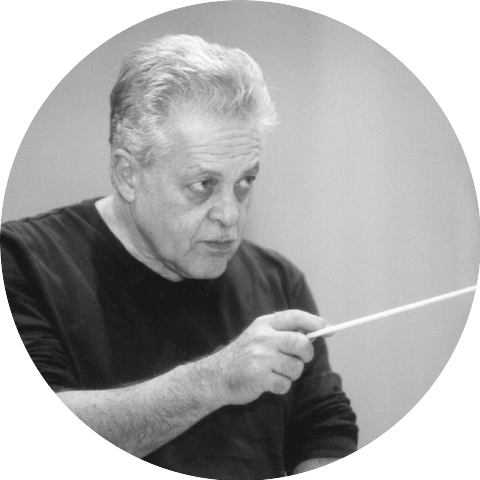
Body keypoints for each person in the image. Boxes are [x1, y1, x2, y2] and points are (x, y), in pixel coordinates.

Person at [0, 35, 372, 479]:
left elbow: (324, 440)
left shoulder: (278, 281)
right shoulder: (22, 262)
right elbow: (27, 449)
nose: (230, 214)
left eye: (245, 181)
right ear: (128, 175)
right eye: (202, 185)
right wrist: (215, 380)